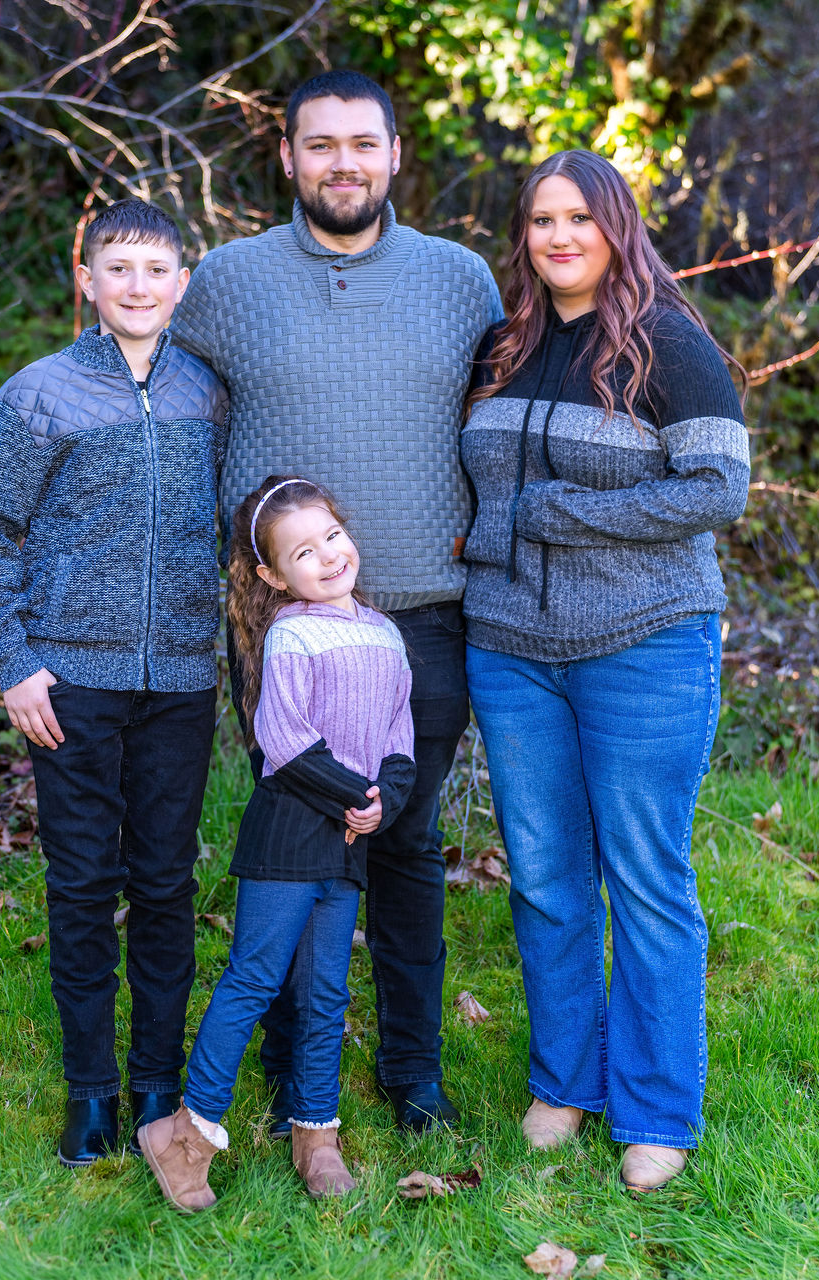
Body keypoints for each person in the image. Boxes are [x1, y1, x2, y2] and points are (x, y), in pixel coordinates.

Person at [170, 70, 503, 1133]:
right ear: (287, 157)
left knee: (402, 842)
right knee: (298, 838)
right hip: (281, 629)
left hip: (423, 617)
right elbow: (167, 414)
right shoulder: (227, 281)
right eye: (320, 144)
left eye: (364, 143)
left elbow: (502, 426)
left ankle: (413, 1076)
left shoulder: (460, 280)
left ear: (397, 153)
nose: (343, 163)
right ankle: (286, 1077)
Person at [461, 150, 750, 1191]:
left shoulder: (669, 342)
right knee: (545, 879)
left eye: (580, 217)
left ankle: (657, 1108)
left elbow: (718, 487)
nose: (560, 237)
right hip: (509, 649)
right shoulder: (503, 344)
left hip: (645, 642)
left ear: (615, 227)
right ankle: (563, 1083)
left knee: (645, 878)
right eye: (542, 219)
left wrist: (570, 514)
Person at [0, 199, 229, 1166]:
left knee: (165, 881)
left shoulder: (206, 393)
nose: (137, 287)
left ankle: (156, 1081)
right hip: (69, 680)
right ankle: (91, 1092)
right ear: (87, 280)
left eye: (155, 271)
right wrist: (17, 664)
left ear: (181, 283)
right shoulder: (41, 396)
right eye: (118, 269)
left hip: (181, 679)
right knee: (80, 883)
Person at [138, 476, 415, 1208]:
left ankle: (315, 1135)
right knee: (255, 981)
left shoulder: (385, 634)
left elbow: (399, 734)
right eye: (303, 552)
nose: (327, 556)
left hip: (348, 842)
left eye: (331, 536)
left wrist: (387, 797)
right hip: (288, 839)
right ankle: (185, 1135)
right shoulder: (291, 634)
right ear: (273, 576)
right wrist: (356, 796)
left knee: (326, 993)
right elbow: (285, 741)